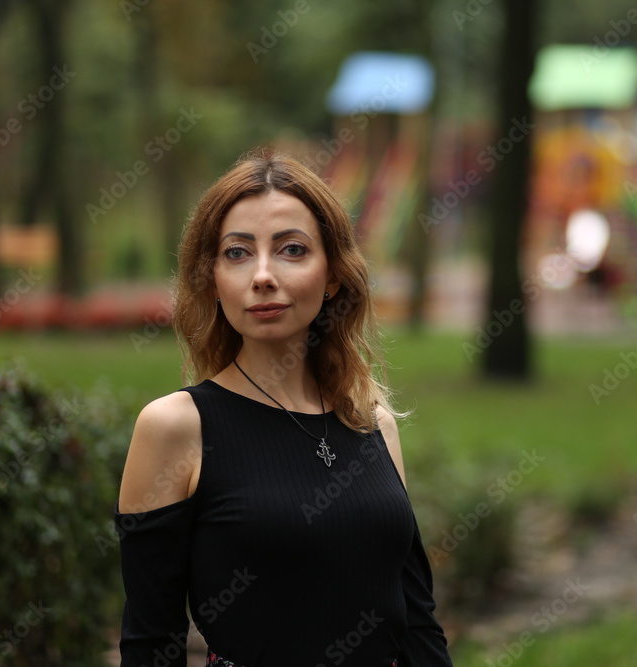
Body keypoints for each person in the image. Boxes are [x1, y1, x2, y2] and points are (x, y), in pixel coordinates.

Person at [113, 149, 454, 667]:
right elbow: (150, 642)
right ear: (211, 279)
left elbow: (417, 620)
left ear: (334, 274)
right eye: (237, 253)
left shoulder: (373, 424)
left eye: (292, 249)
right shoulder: (176, 427)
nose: (263, 275)